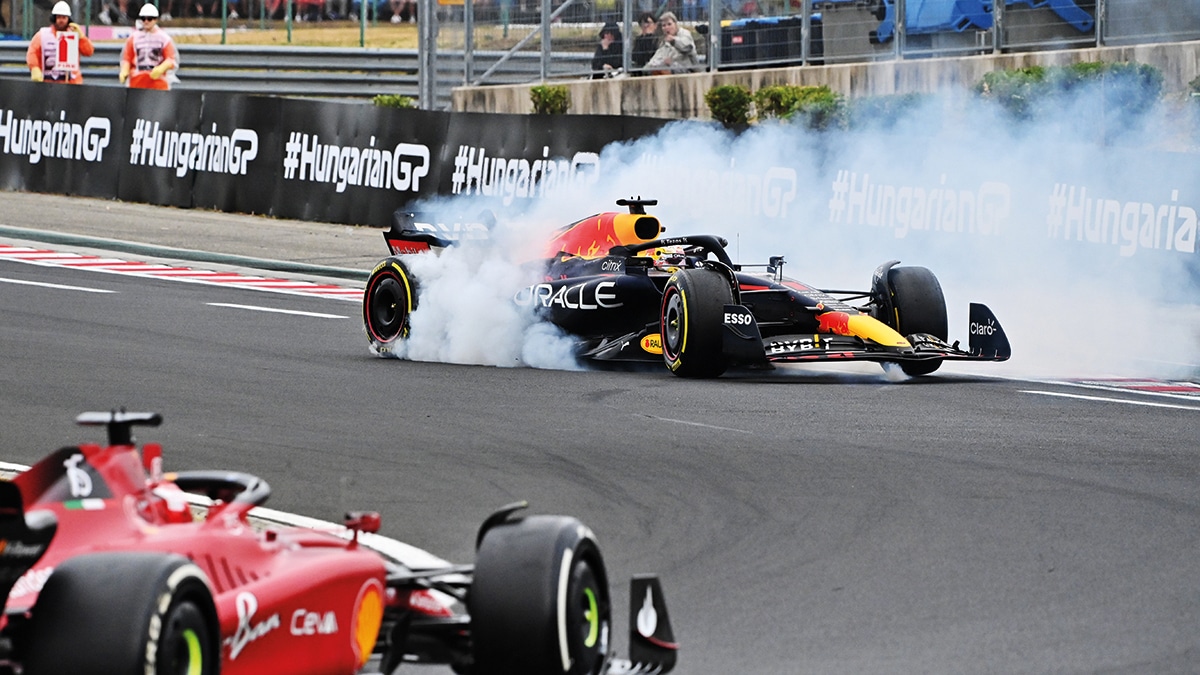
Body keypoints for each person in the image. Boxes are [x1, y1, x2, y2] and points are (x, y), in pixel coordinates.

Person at [26, 2, 95, 84]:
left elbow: (89, 52)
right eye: (59, 17)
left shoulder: (75, 34)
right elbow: (32, 52)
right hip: (48, 83)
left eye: (64, 17)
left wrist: (81, 37)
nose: (61, 20)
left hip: (72, 83)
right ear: (54, 18)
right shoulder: (42, 35)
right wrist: (34, 68)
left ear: (68, 19)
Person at [119, 4, 179, 90]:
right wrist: (124, 70)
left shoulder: (164, 39)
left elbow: (171, 59)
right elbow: (127, 58)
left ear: (155, 19)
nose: (146, 21)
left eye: (149, 18)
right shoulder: (133, 38)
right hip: (137, 81)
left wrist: (161, 68)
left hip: (158, 82)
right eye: (143, 18)